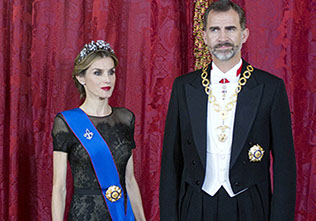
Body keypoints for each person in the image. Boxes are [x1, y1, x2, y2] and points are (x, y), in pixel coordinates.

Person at [160, 0, 296, 220]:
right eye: (215, 29)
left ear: (244, 34)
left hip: (250, 206)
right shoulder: (184, 87)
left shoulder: (270, 88)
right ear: (204, 36)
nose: (222, 38)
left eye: (230, 29)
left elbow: (285, 167)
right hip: (195, 205)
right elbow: (170, 163)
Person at [52, 40, 146, 221]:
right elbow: (59, 187)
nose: (107, 80)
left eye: (111, 72)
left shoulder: (125, 119)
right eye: (98, 73)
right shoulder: (66, 122)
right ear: (81, 78)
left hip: (121, 214)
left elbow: (130, 180)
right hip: (85, 215)